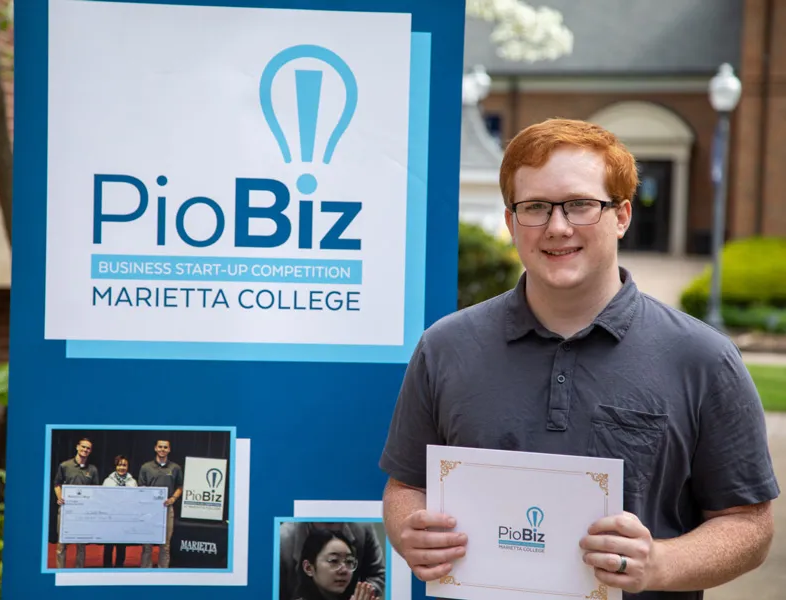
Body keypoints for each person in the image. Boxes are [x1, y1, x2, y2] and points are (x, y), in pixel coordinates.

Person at [378, 118, 779, 599]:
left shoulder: (703, 358)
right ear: (510, 223)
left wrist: (661, 564)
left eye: (581, 205)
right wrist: (408, 531)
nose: (558, 227)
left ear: (623, 215)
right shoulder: (445, 347)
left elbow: (748, 525)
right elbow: (406, 487)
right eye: (535, 208)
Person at [280, 521, 386, 600]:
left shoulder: (362, 528)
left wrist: (362, 594)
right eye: (334, 561)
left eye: (349, 562)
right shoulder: (284, 539)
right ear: (308, 567)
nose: (344, 570)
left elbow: (377, 573)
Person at [52, 437, 100, 568]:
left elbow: (96, 490)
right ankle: (60, 570)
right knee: (62, 542)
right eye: (83, 447)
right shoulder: (65, 466)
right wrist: (60, 497)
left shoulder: (93, 470)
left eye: (88, 448)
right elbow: (57, 484)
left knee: (81, 543)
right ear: (77, 447)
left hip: (83, 512)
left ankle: (79, 570)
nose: (85, 450)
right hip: (66, 510)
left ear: (90, 451)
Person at [138, 439, 183, 568]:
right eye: (160, 447)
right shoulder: (146, 467)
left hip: (167, 508)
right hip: (149, 510)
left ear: (169, 450)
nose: (162, 449)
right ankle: (145, 571)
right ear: (155, 448)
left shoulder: (175, 468)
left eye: (165, 447)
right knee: (147, 544)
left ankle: (163, 572)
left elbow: (180, 486)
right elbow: (141, 488)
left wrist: (173, 498)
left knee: (165, 545)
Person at [102, 454, 138, 568]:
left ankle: (119, 567)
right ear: (115, 466)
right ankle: (106, 568)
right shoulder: (108, 481)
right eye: (119, 465)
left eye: (124, 465)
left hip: (124, 519)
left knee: (121, 546)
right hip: (110, 518)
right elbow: (102, 499)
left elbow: (135, 500)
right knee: (108, 546)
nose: (122, 467)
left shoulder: (132, 482)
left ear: (128, 467)